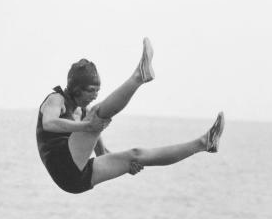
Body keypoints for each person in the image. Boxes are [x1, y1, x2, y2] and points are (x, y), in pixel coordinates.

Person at [36, 38, 224, 194]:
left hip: (78, 179)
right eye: (91, 90)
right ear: (77, 88)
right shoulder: (56, 99)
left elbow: (101, 153)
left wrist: (125, 166)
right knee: (97, 114)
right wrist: (86, 126)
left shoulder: (85, 113)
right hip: (63, 166)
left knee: (136, 155)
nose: (95, 95)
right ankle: (139, 76)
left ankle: (204, 143)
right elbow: (49, 123)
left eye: (98, 90)